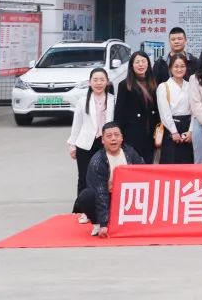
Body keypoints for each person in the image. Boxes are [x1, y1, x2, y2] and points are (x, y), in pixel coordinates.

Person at [73, 122, 142, 238]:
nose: (113, 139)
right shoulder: (97, 161)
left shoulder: (130, 153)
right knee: (86, 196)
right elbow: (101, 194)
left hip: (128, 198)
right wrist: (103, 224)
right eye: (109, 136)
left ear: (122, 138)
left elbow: (143, 173)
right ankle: (97, 223)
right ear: (103, 140)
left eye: (116, 135)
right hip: (107, 197)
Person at [67, 67, 115, 216]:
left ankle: (104, 209)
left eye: (102, 80)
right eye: (95, 80)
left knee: (106, 177)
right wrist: (72, 144)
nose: (98, 83)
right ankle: (82, 210)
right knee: (84, 178)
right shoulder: (83, 101)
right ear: (89, 82)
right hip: (86, 144)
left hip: (105, 143)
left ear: (107, 82)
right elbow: (77, 124)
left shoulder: (113, 100)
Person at [112, 51, 159, 164]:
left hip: (151, 133)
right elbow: (119, 113)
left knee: (148, 164)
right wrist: (118, 135)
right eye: (137, 62)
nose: (140, 64)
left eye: (143, 61)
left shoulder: (154, 83)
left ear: (148, 64)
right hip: (132, 134)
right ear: (131, 65)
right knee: (134, 166)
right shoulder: (124, 85)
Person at [156, 53, 193, 164]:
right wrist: (174, 132)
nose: (179, 69)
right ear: (170, 68)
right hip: (171, 128)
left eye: (182, 66)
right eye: (176, 66)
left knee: (187, 163)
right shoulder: (164, 86)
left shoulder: (190, 85)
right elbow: (164, 113)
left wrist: (191, 131)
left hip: (187, 127)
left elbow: (194, 111)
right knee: (170, 162)